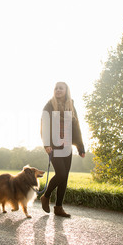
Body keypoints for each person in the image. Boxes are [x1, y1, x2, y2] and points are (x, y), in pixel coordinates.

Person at [40, 82, 85, 217]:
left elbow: (76, 127)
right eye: (56, 88)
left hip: (67, 145)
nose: (58, 90)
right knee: (61, 174)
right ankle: (45, 196)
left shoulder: (71, 106)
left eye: (61, 88)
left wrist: (80, 146)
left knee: (64, 178)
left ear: (66, 91)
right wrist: (46, 144)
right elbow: (44, 125)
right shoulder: (49, 105)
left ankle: (58, 207)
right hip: (54, 145)